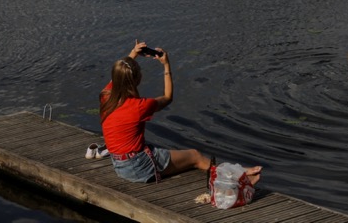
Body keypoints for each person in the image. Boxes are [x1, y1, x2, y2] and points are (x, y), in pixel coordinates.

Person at [99, 41, 263, 185]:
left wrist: (133, 53)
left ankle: (237, 172)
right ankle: (240, 177)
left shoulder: (106, 96)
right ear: (137, 80)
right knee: (195, 156)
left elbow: (120, 74)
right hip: (139, 167)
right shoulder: (139, 106)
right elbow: (168, 97)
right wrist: (166, 65)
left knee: (169, 153)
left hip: (120, 166)